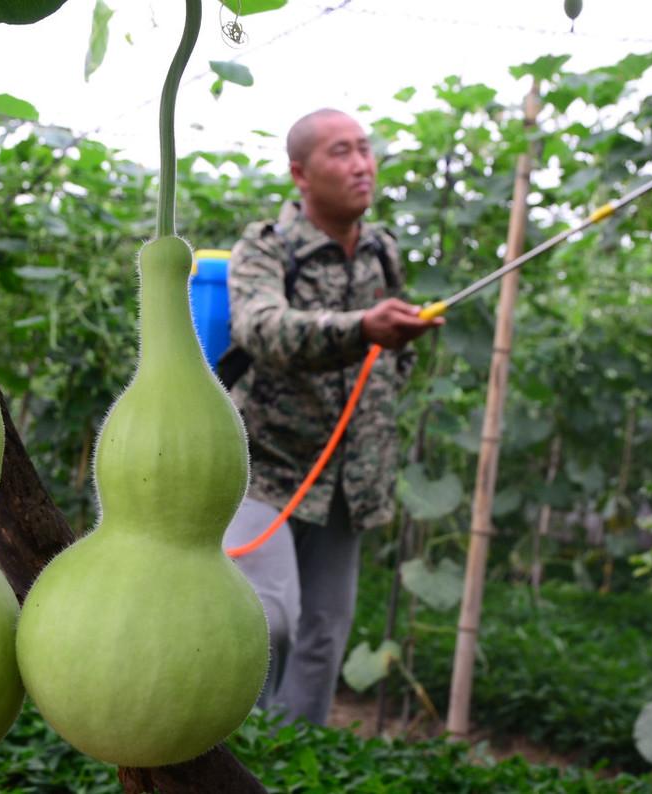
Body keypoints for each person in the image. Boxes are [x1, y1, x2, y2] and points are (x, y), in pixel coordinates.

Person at [221, 108, 442, 726]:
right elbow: (261, 329)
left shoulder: (381, 252)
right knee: (270, 621)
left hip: (348, 477)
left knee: (323, 636)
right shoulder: (267, 247)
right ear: (300, 173)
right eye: (340, 152)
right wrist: (361, 329)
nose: (361, 165)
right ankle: (235, 746)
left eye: (364, 150)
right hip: (265, 467)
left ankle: (291, 761)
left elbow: (388, 356)